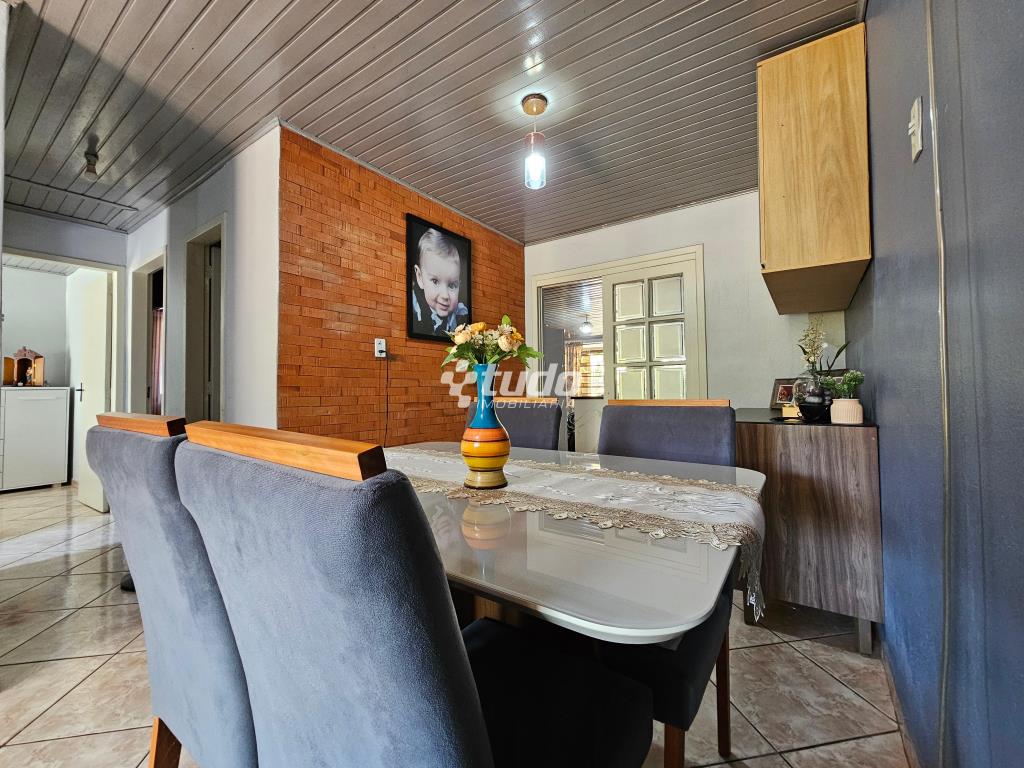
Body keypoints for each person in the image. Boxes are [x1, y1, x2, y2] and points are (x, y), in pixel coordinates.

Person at [411, 227, 469, 336]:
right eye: (435, 281)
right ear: (419, 277)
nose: (445, 295)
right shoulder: (414, 307)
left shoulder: (461, 315)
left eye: (452, 285)